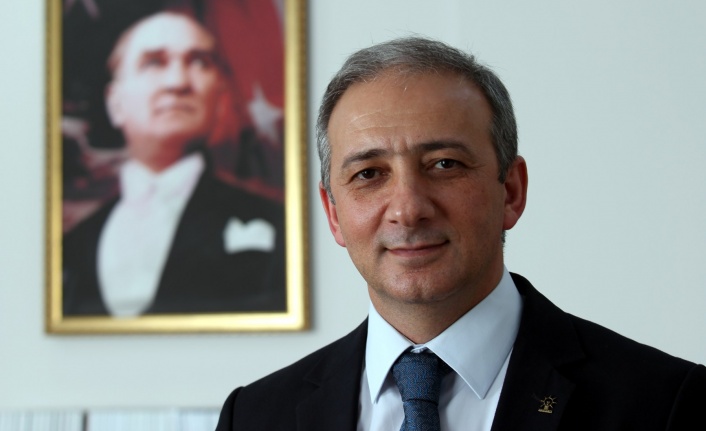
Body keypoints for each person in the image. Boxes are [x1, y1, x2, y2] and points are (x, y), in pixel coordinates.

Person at [215, 37, 706, 430]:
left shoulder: (665, 403)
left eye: (444, 164)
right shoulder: (254, 416)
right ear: (333, 214)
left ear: (510, 191)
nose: (408, 209)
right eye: (368, 173)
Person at [62, 11, 285, 317]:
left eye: (199, 62)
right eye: (154, 62)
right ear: (115, 102)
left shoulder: (278, 224)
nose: (178, 82)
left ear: (220, 96)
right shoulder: (71, 245)